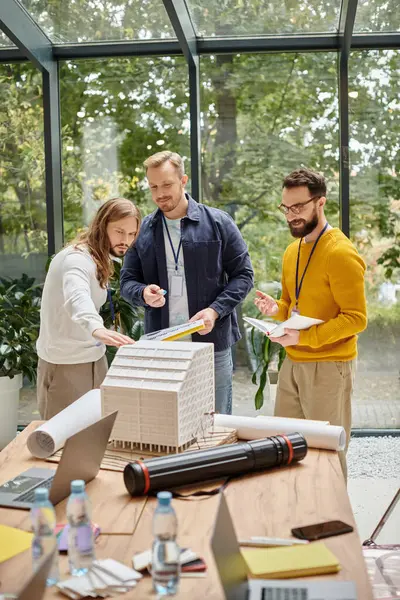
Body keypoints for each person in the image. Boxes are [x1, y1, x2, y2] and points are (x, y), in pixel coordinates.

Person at [120, 151, 254, 414]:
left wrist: (215, 310)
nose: (160, 194)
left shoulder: (218, 222)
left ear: (183, 180)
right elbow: (127, 281)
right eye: (153, 187)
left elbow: (244, 275)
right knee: (168, 421)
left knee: (216, 422)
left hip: (211, 345)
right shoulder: (143, 229)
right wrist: (143, 292)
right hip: (163, 347)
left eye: (167, 185)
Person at [255, 168, 367, 478]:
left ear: (320, 203)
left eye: (299, 207)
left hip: (330, 366)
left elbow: (356, 319)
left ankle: (333, 523)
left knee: (326, 455)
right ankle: (295, 516)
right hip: (293, 361)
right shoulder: (293, 251)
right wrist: (275, 309)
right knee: (286, 449)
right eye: (286, 208)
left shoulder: (341, 253)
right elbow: (293, 306)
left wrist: (303, 339)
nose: (291, 215)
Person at [37, 198, 141, 420]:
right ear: (102, 226)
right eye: (119, 231)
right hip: (65, 365)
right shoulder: (76, 259)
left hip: (94, 358)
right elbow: (77, 297)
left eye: (132, 234)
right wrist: (97, 328)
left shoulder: (98, 258)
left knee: (95, 437)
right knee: (60, 445)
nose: (126, 241)